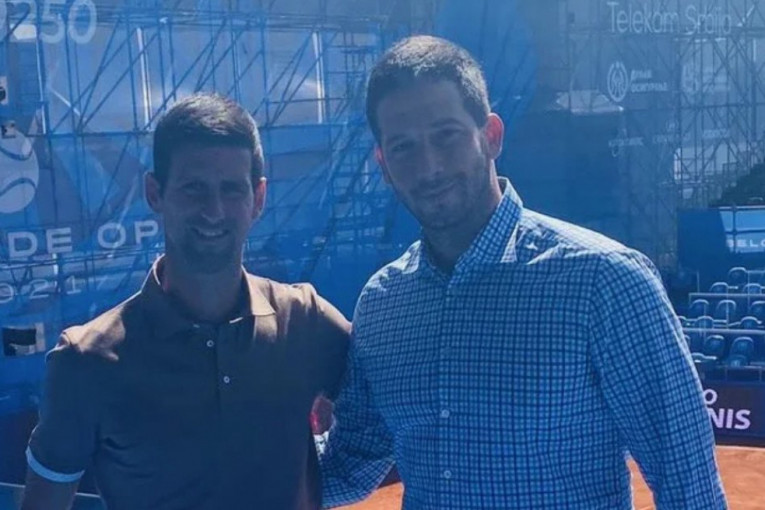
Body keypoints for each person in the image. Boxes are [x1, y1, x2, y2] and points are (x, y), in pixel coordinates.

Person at [319, 35, 727, 509]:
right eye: (404, 147)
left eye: (446, 135)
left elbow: (689, 487)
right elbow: (350, 463)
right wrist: (249, 459)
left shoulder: (604, 280)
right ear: (384, 165)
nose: (429, 167)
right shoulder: (382, 303)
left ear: (491, 136)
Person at [21, 93, 350, 510]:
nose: (214, 210)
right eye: (194, 188)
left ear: (259, 197)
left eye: (232, 189)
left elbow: (395, 410)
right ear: (155, 193)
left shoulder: (306, 321)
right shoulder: (85, 361)